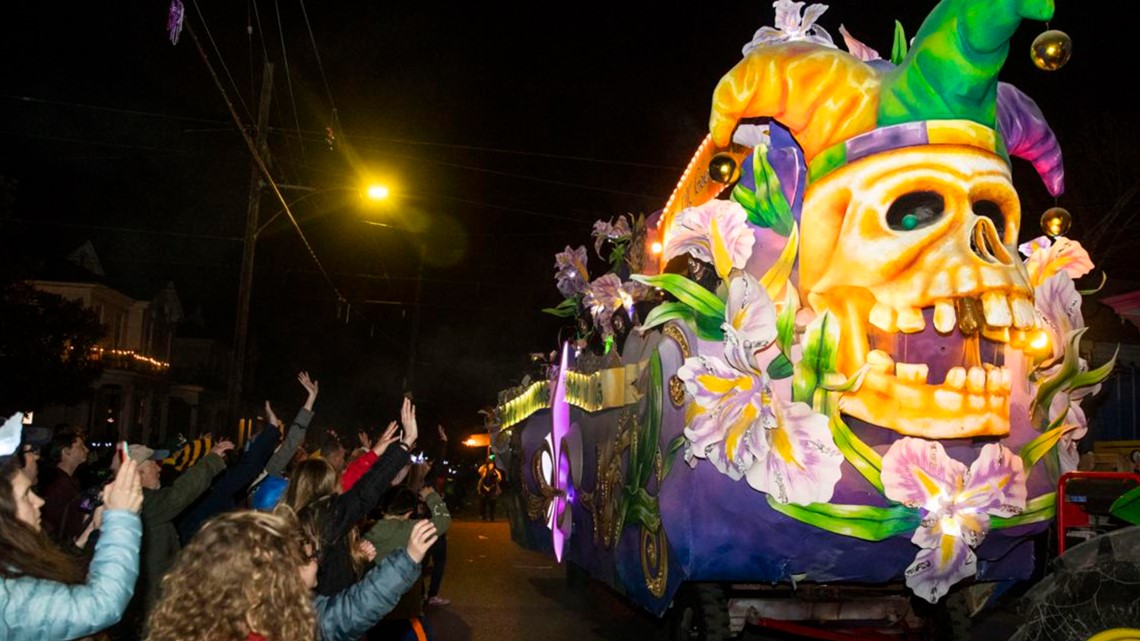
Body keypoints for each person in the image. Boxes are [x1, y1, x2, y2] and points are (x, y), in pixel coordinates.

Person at [144, 508, 437, 641]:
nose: (317, 562)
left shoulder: (295, 612)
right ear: (275, 571)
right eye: (309, 556)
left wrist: (407, 559)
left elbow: (351, 610)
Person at [1, 412, 144, 641]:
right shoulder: (58, 487)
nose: (40, 502)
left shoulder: (13, 556)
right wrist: (121, 517)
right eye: (27, 494)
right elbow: (100, 606)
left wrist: (84, 538)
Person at [285, 399, 418, 597]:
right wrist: (406, 442)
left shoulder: (299, 516)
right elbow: (365, 490)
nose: (343, 478)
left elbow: (356, 481)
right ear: (324, 487)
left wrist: (358, 558)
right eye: (337, 476)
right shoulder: (325, 518)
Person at [118, 438, 234, 614]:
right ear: (138, 472)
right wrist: (212, 459)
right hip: (149, 608)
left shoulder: (137, 500)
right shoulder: (140, 503)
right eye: (153, 465)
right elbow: (179, 495)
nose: (159, 468)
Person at [363, 483, 452, 639]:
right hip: (405, 611)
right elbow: (443, 520)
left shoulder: (367, 531)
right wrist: (431, 497)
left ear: (383, 508)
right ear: (409, 512)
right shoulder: (413, 529)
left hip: (374, 611)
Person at [38, 425, 91, 545]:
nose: (86, 450)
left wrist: (90, 499)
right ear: (66, 451)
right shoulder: (57, 484)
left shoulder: (70, 480)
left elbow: (78, 510)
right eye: (81, 446)